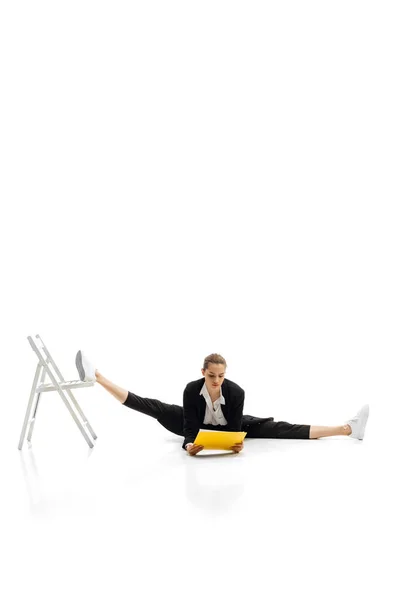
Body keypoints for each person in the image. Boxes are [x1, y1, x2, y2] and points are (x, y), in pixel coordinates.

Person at [75, 351, 370, 455]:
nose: (217, 381)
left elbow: (231, 430)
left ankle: (347, 429)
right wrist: (190, 445)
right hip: (192, 424)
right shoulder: (192, 390)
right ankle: (97, 377)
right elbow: (190, 426)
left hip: (230, 426)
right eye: (212, 375)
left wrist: (233, 444)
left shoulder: (236, 392)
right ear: (203, 373)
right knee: (152, 406)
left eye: (221, 376)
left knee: (281, 428)